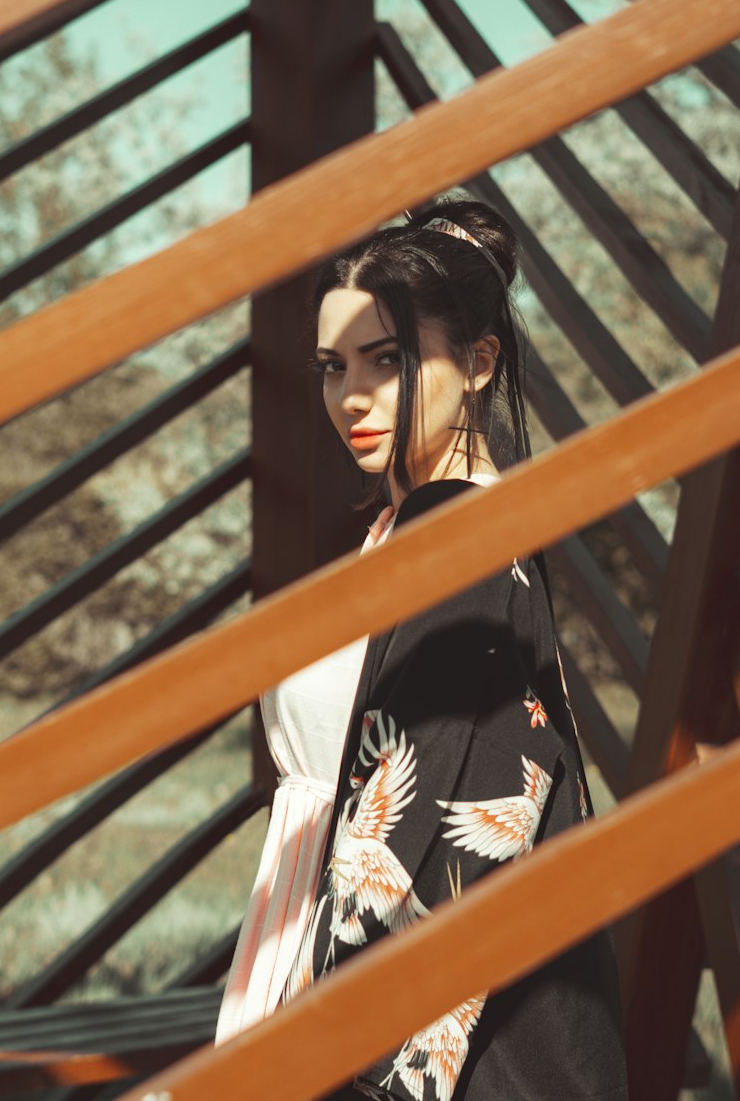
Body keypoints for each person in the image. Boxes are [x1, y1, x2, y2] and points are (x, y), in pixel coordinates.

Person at [219, 197, 629, 1100]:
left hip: (415, 1010)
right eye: (333, 367)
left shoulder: (458, 541)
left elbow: (437, 826)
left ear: (480, 363)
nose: (351, 397)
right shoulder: (420, 528)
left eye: (389, 360)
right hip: (317, 944)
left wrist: (338, 1055)